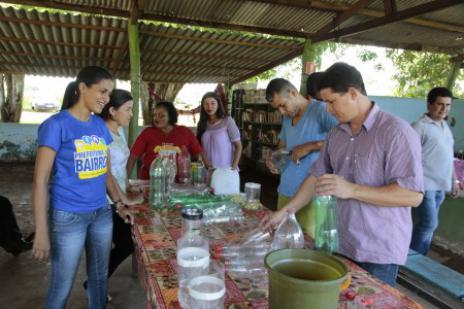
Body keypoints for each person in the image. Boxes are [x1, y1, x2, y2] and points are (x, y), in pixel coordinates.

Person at [264, 62, 424, 287]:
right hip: (340, 242)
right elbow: (315, 177)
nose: (327, 109)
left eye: (331, 101)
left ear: (352, 93)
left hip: (377, 251)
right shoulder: (336, 134)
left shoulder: (396, 133)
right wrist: (285, 212)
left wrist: (351, 189)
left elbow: (412, 195)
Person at [32, 66, 132, 309]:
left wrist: (119, 203)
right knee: (62, 285)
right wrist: (42, 232)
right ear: (82, 88)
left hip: (101, 214)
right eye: (102, 91)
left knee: (99, 280)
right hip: (68, 216)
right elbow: (40, 181)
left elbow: (106, 173)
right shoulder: (56, 125)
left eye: (109, 94)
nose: (105, 98)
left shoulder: (100, 126)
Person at [264, 78, 338, 237]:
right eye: (278, 109)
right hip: (285, 190)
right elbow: (282, 146)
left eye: (283, 105)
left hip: (311, 196)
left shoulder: (322, 110)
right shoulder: (286, 118)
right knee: (282, 240)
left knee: (307, 246)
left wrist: (311, 146)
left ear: (293, 92)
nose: (282, 112)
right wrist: (273, 158)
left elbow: (345, 142)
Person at [96, 89, 142, 289]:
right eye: (128, 109)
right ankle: (96, 284)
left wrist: (128, 188)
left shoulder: (119, 130)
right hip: (108, 201)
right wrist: (122, 198)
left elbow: (120, 168)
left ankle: (97, 283)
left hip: (120, 196)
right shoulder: (101, 133)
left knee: (127, 242)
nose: (131, 114)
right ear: (113, 110)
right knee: (124, 243)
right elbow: (106, 173)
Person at [410, 87, 461, 255]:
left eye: (447, 105)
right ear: (429, 104)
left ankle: (416, 256)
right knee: (428, 224)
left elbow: (448, 158)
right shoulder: (420, 126)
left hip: (441, 185)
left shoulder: (444, 126)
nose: (444, 109)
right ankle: (415, 262)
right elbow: (409, 157)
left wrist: (454, 181)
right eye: (440, 104)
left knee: (427, 226)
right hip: (426, 185)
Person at [127, 101, 202, 180]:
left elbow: (198, 155)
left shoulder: (185, 132)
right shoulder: (147, 133)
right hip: (150, 183)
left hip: (178, 184)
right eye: (155, 115)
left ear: (171, 116)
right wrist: (124, 180)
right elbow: (133, 156)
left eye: (161, 115)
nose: (156, 118)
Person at [196, 92, 242, 170]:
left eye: (213, 103)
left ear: (218, 104)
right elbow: (200, 148)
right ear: (202, 106)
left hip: (226, 171)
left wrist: (233, 168)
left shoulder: (227, 120)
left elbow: (238, 146)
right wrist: (208, 167)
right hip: (208, 171)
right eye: (206, 104)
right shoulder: (202, 123)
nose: (209, 106)